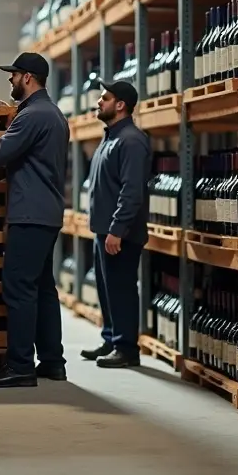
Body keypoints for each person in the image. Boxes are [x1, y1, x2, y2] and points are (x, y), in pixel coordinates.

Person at [0, 51, 69, 388]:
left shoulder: (33, 115)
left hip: (29, 213)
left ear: (28, 78)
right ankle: (52, 362)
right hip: (47, 213)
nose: (10, 79)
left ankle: (20, 366)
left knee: (18, 288)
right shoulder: (51, 113)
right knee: (43, 289)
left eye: (14, 74)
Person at [83, 79, 152, 369]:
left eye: (105, 98)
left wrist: (117, 229)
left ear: (120, 105)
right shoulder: (110, 137)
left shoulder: (131, 140)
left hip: (119, 234)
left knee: (121, 289)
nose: (99, 101)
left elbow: (132, 191)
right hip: (104, 230)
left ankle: (126, 349)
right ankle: (111, 339)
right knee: (107, 289)